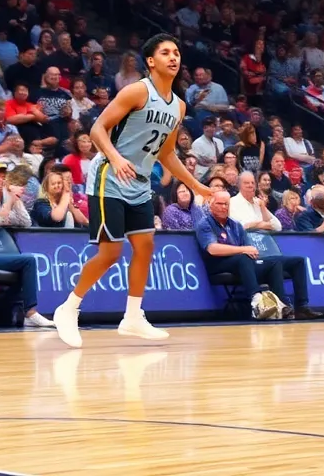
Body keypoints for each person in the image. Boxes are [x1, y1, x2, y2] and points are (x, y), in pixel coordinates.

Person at [51, 34, 212, 349]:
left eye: (177, 52)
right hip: (109, 175)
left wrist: (196, 185)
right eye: (165, 52)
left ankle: (133, 316)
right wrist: (114, 156)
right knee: (111, 253)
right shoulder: (137, 90)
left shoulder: (178, 106)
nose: (173, 57)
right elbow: (97, 129)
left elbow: (166, 154)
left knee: (145, 246)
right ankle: (68, 308)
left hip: (139, 182)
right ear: (151, 61)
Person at [196, 191, 320, 320]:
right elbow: (212, 249)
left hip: (243, 263)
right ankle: (257, 303)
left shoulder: (235, 225)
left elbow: (249, 250)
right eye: (219, 203)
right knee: (243, 257)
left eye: (226, 204)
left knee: (288, 261)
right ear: (211, 204)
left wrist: (248, 251)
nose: (223, 207)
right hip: (218, 264)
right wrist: (242, 249)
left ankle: (294, 306)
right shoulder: (205, 224)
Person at [0, 161, 55, 327]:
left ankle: (1, 312)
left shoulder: (6, 197)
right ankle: (30, 313)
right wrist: (7, 206)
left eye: (3, 177)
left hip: (2, 252)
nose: (1, 180)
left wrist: (14, 200)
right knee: (28, 260)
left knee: (25, 269)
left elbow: (25, 222)